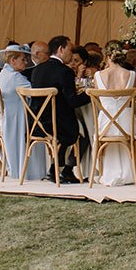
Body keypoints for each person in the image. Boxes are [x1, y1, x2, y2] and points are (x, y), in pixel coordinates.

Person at [88, 48, 136, 184]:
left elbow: (99, 100)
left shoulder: (98, 75)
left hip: (105, 124)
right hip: (126, 124)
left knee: (101, 131)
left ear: (108, 57)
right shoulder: (132, 75)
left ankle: (104, 172)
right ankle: (132, 173)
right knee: (133, 131)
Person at [27, 35, 88, 182]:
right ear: (61, 49)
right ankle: (64, 170)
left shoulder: (37, 70)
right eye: (70, 49)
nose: (72, 53)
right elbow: (72, 101)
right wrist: (90, 95)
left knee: (77, 129)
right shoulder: (64, 71)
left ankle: (57, 170)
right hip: (58, 125)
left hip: (36, 123)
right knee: (85, 132)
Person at [0, 43, 46, 180]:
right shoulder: (16, 78)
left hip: (2, 120)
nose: (26, 62)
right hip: (16, 120)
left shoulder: (1, 75)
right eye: (23, 59)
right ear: (13, 60)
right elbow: (36, 93)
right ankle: (33, 171)